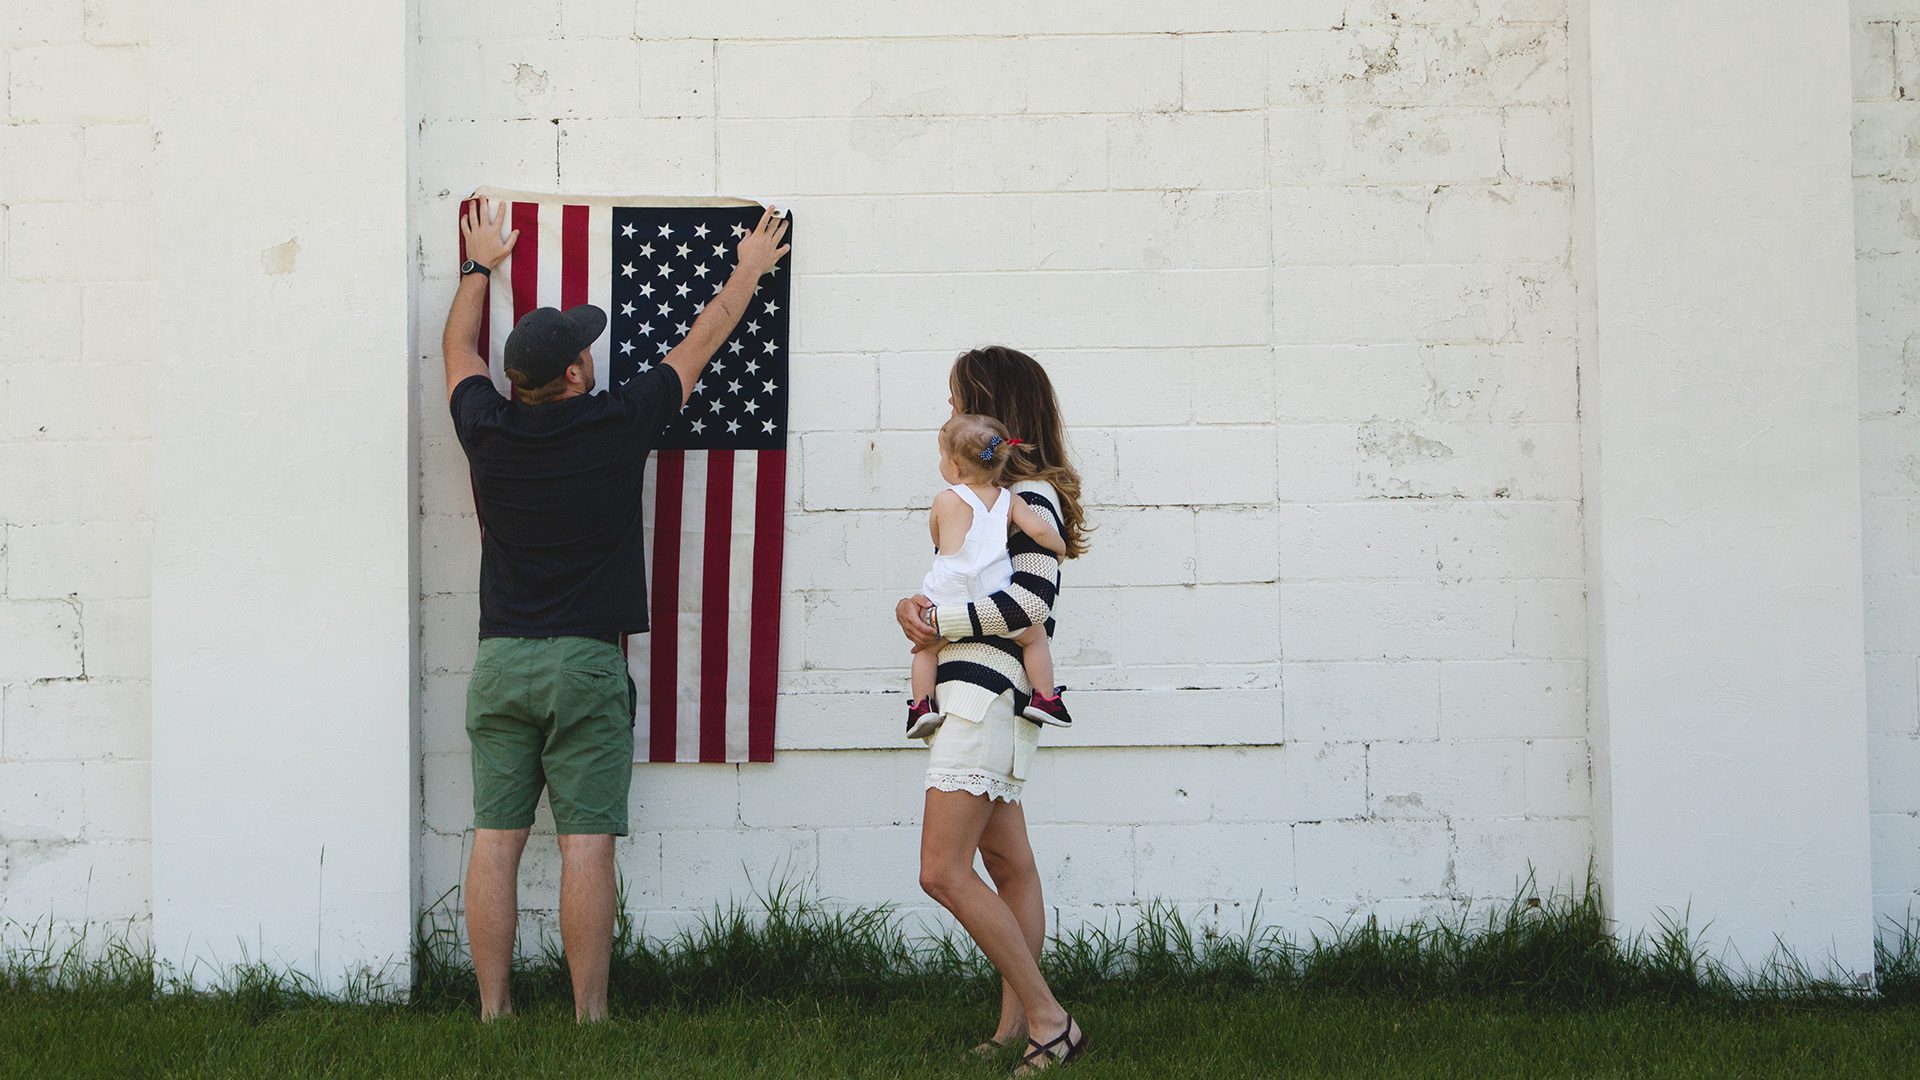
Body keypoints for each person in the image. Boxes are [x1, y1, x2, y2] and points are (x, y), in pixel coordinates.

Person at [441, 198, 789, 1021]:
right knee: (584, 843)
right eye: (585, 352)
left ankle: (493, 1015)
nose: (594, 356)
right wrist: (748, 268)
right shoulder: (615, 423)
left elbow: (457, 348)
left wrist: (477, 266)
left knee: (495, 840)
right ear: (572, 377)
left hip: (501, 662)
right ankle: (589, 1018)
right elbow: (703, 339)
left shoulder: (485, 428)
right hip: (585, 664)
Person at [893, 346, 1092, 1073]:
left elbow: (1029, 604)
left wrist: (934, 625)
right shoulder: (991, 500)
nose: (949, 417)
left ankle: (1050, 1020)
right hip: (985, 697)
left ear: (989, 409)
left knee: (941, 870)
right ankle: (1015, 1032)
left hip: (983, 698)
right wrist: (912, 607)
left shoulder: (1026, 496)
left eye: (956, 402)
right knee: (1009, 865)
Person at [905, 412, 1073, 740]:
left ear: (955, 467)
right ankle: (1045, 698)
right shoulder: (1010, 500)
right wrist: (1060, 546)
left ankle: (922, 707)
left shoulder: (944, 499)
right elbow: (1039, 530)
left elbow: (938, 542)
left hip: (948, 600)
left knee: (925, 651)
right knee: (1034, 636)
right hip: (992, 597)